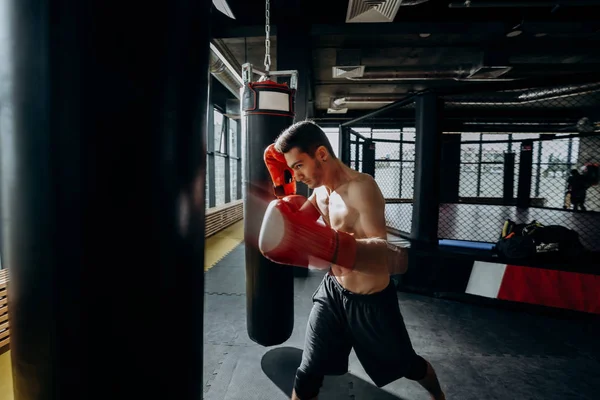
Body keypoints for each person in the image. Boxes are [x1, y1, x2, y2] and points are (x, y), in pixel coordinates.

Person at [258, 120, 446, 400]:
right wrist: (282, 189)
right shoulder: (320, 192)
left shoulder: (362, 187)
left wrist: (331, 246)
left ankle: (438, 396)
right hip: (333, 293)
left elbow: (381, 250)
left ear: (321, 154)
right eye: (292, 169)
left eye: (298, 166)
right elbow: (295, 224)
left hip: (371, 302)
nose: (296, 175)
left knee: (409, 366)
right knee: (308, 371)